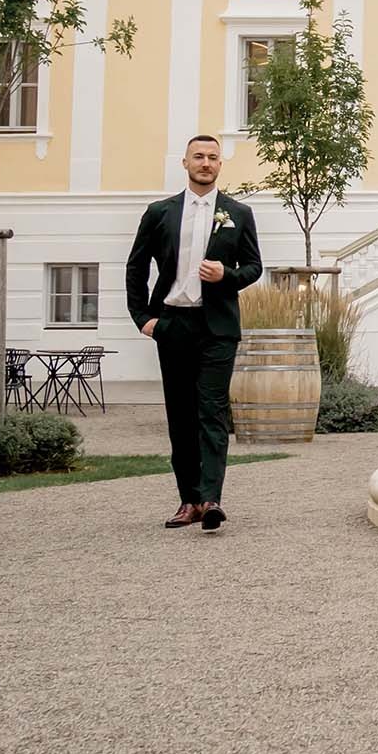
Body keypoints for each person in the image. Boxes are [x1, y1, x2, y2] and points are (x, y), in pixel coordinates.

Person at [126, 134, 263, 531]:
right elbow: (136, 268)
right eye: (198, 157)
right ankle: (188, 501)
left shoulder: (239, 212)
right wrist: (144, 319)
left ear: (221, 165)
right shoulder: (159, 212)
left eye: (213, 157)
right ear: (185, 163)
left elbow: (253, 268)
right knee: (181, 417)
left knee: (212, 413)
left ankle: (211, 499)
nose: (206, 163)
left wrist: (226, 276)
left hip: (217, 327)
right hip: (173, 324)